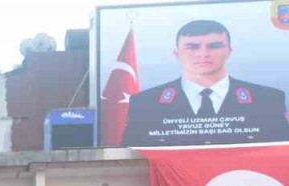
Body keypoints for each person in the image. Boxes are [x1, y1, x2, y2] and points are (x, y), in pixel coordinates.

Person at [123, 19, 289, 147]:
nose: (203, 54)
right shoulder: (145, 103)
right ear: (176, 53)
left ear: (229, 51)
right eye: (192, 47)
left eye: (214, 46)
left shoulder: (267, 100)